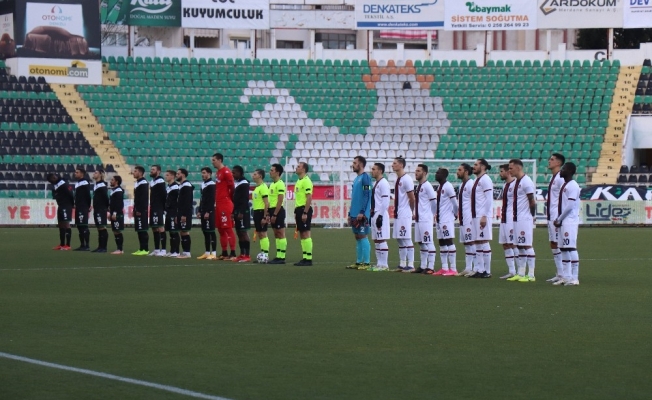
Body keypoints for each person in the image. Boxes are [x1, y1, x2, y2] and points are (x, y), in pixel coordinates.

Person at [506, 159, 537, 282]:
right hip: (517, 218)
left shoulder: (526, 182)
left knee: (527, 245)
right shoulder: (516, 182)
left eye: (511, 168)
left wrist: (532, 216)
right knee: (519, 246)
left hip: (524, 218)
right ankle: (521, 273)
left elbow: (532, 201)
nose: (509, 170)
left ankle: (531, 275)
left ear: (518, 168)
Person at [553, 162, 581, 286]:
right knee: (563, 248)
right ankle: (566, 276)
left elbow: (570, 206)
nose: (561, 171)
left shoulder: (573, 185)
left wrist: (559, 219)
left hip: (569, 221)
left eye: (563, 169)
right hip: (563, 221)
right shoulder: (565, 185)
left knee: (571, 248)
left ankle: (575, 278)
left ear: (569, 171)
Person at [469, 158, 494, 278]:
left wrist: (485, 215)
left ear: (483, 167)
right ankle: (480, 269)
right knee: (477, 242)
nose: (473, 167)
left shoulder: (486, 179)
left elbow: (489, 198)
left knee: (484, 241)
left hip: (482, 215)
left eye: (476, 165)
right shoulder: (476, 180)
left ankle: (487, 271)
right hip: (475, 215)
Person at [346, 156, 372, 269]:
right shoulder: (356, 179)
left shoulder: (366, 178)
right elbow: (354, 198)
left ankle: (366, 263)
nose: (353, 165)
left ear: (361, 164)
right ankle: (358, 262)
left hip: (362, 214)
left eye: (355, 163)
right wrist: (350, 213)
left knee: (362, 235)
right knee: (357, 236)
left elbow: (367, 195)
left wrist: (362, 211)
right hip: (354, 213)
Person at [211, 153, 237, 260]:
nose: (212, 162)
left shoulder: (226, 172)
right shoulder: (218, 173)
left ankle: (233, 253)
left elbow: (232, 187)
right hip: (218, 204)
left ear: (220, 160)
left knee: (228, 228)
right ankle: (224, 252)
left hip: (225, 203)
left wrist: (228, 199)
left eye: (214, 160)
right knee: (221, 229)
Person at [412, 164, 437, 274]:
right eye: (416, 171)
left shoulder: (427, 186)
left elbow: (434, 202)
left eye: (418, 171)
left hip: (425, 219)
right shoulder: (419, 186)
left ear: (425, 173)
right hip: (419, 218)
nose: (416, 173)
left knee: (429, 242)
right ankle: (423, 266)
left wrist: (433, 214)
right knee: (421, 242)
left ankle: (431, 267)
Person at [392, 156, 416, 272]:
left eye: (395, 163)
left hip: (405, 213)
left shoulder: (407, 179)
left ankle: (410, 264)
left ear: (401, 165)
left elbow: (412, 198)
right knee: (399, 238)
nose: (392, 165)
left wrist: (412, 211)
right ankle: (402, 263)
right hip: (398, 212)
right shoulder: (398, 179)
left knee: (406, 238)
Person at [545, 153, 567, 283]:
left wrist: (561, 216)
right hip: (551, 215)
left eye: (552, 159)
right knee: (553, 243)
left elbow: (565, 197)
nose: (549, 161)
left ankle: (564, 274)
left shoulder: (560, 178)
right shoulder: (553, 177)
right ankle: (559, 273)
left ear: (558, 163)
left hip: (557, 216)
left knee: (560, 244)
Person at [433, 168, 458, 276]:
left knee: (448, 241)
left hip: (446, 219)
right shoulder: (440, 187)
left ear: (444, 175)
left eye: (438, 173)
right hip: (440, 219)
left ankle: (453, 268)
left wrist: (455, 214)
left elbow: (455, 203)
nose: (436, 174)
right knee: (442, 242)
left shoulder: (448, 186)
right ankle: (444, 267)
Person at [455, 163, 476, 276]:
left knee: (471, 242)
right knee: (467, 243)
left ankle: (476, 268)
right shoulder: (462, 185)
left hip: (469, 218)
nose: (457, 172)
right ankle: (468, 267)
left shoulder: (471, 184)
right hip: (463, 218)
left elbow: (475, 201)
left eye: (460, 170)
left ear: (466, 172)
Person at [497, 164, 517, 279]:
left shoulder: (515, 184)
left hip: (511, 218)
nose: (500, 173)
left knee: (513, 244)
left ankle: (520, 271)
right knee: (505, 244)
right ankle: (512, 271)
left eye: (501, 171)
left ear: (508, 172)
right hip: (504, 218)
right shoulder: (505, 185)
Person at [369, 163, 390, 272]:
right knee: (376, 240)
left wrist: (381, 215)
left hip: (380, 213)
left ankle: (384, 265)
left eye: (374, 169)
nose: (372, 171)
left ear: (380, 171)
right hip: (375, 213)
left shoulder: (384, 183)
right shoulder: (376, 183)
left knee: (381, 239)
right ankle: (379, 264)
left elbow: (386, 201)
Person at [46, 173, 73, 250]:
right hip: (61, 205)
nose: (52, 181)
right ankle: (62, 244)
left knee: (66, 223)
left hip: (66, 205)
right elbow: (55, 195)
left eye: (53, 178)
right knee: (61, 224)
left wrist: (72, 204)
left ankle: (68, 245)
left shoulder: (63, 183)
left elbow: (70, 193)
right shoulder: (55, 185)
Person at [268, 163, 287, 264]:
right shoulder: (272, 184)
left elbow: (280, 200)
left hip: (278, 211)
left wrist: (275, 214)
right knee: (276, 234)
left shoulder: (280, 184)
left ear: (277, 172)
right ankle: (278, 255)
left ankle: (282, 257)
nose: (270, 172)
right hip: (272, 210)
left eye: (272, 170)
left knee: (280, 233)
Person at [232, 165, 252, 262]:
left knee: (244, 232)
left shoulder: (244, 183)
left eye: (234, 172)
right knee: (239, 232)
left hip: (243, 212)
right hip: (237, 210)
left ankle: (247, 255)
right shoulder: (237, 183)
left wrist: (241, 212)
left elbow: (245, 199)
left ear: (239, 173)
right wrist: (233, 212)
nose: (233, 174)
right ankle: (242, 253)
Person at [197, 167, 217, 260]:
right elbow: (202, 199)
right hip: (203, 211)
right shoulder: (203, 184)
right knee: (205, 232)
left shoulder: (212, 184)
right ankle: (207, 252)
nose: (202, 174)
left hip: (209, 211)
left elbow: (211, 199)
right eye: (202, 173)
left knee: (211, 231)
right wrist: (199, 210)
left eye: (204, 173)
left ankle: (214, 253)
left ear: (209, 174)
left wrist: (208, 211)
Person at [251, 169, 270, 260]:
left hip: (261, 212)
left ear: (260, 176)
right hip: (256, 212)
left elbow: (266, 203)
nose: (253, 175)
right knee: (260, 234)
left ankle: (265, 254)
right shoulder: (257, 187)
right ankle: (263, 253)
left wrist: (265, 216)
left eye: (255, 174)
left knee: (263, 233)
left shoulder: (263, 187)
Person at [148, 165, 167, 256]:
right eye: (151, 169)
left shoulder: (160, 181)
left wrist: (163, 207)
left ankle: (163, 250)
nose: (151, 171)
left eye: (153, 169)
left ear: (158, 171)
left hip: (158, 207)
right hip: (153, 206)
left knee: (160, 227)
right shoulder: (152, 181)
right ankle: (156, 249)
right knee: (154, 228)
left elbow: (164, 194)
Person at [176, 168, 194, 259]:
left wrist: (184, 215)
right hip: (180, 212)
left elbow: (187, 201)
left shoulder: (186, 185)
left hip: (185, 213)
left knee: (185, 231)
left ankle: (187, 252)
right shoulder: (182, 185)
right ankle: (184, 252)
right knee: (182, 232)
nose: (176, 175)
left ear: (183, 175)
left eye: (178, 174)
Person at [132, 165, 149, 255]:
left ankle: (145, 249)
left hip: (141, 210)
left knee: (142, 229)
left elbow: (143, 198)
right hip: (138, 209)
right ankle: (141, 248)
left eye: (135, 171)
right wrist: (135, 208)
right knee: (139, 229)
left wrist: (139, 209)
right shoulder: (137, 182)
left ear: (140, 173)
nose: (133, 173)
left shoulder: (143, 183)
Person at [73, 167, 91, 251]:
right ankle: (82, 245)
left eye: (77, 172)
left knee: (84, 225)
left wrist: (88, 205)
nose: (75, 173)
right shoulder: (78, 183)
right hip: (78, 206)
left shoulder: (84, 182)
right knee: (79, 226)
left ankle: (87, 245)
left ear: (82, 174)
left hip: (83, 206)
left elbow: (87, 195)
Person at [91, 169, 109, 253]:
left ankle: (103, 247)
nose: (94, 174)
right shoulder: (97, 184)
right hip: (97, 208)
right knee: (99, 228)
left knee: (102, 227)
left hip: (101, 209)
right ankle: (100, 246)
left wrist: (106, 208)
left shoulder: (102, 185)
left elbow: (105, 197)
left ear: (100, 175)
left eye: (96, 173)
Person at [164, 170, 181, 258]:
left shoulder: (176, 187)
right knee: (171, 231)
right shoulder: (168, 187)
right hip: (169, 211)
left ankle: (176, 251)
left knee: (174, 231)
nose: (166, 176)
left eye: (167, 175)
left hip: (173, 212)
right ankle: (172, 250)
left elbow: (176, 201)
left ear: (172, 176)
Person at [109, 175, 125, 255]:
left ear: (116, 182)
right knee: (115, 231)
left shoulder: (118, 191)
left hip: (117, 214)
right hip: (114, 213)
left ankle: (120, 249)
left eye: (112, 180)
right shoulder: (114, 190)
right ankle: (119, 248)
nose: (110, 181)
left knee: (118, 231)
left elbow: (119, 204)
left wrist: (114, 213)